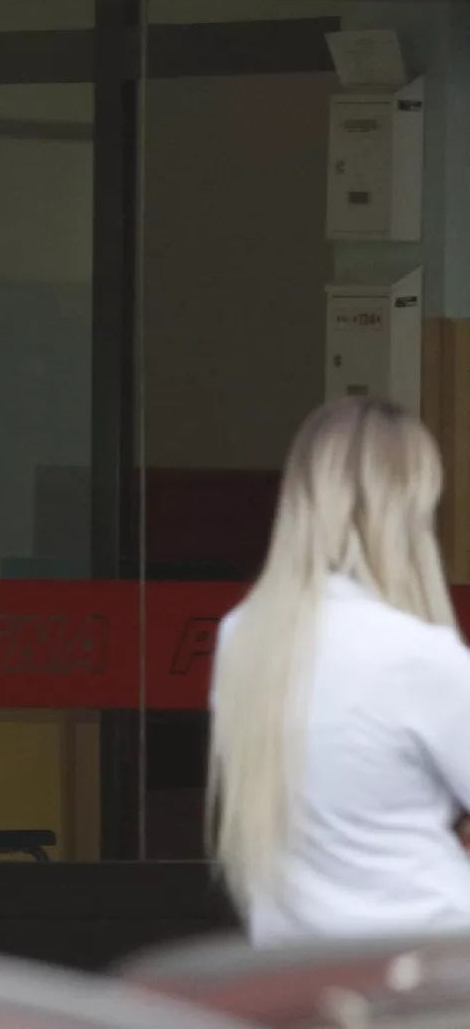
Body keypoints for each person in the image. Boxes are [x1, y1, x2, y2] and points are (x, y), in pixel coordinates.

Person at [210, 396, 470, 946]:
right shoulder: (418, 655)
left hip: (290, 966)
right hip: (432, 962)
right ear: (409, 508)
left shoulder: (242, 639)